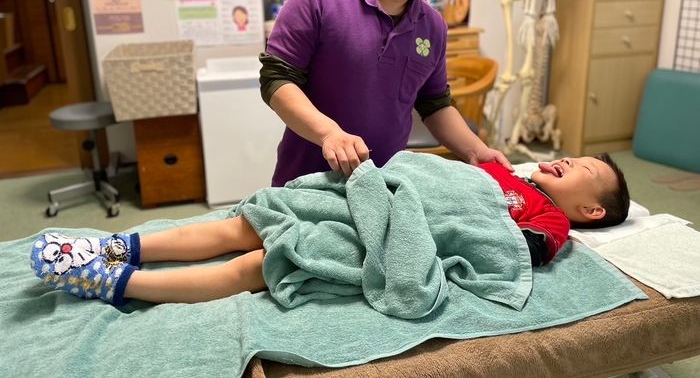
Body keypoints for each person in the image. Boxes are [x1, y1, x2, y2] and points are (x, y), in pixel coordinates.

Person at [30, 152, 629, 307]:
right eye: (573, 156)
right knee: (246, 224)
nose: (567, 161)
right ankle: (114, 246)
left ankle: (112, 281)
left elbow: (503, 248)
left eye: (585, 170)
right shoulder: (501, 171)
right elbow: (426, 173)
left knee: (264, 263)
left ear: (591, 212)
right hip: (370, 197)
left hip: (390, 232)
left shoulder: (550, 219)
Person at [260, 0, 512, 187]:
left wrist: (477, 151)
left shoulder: (432, 26)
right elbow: (276, 79)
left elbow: (434, 104)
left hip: (384, 186)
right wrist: (329, 134)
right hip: (306, 184)